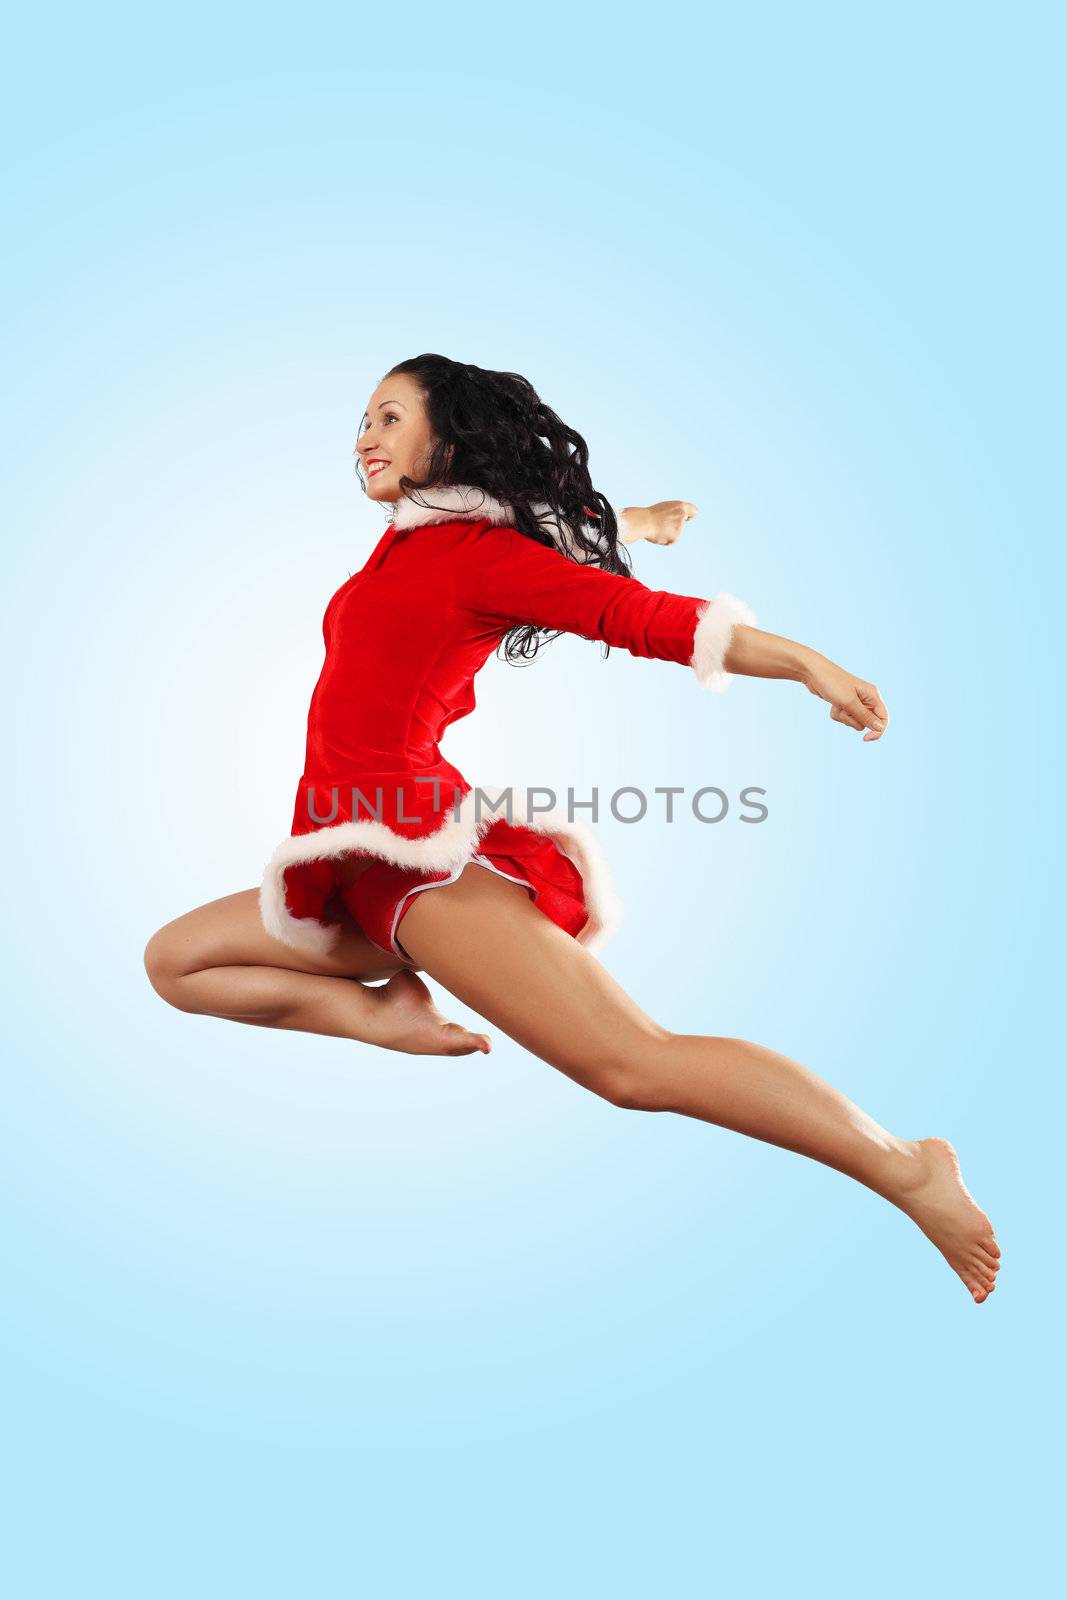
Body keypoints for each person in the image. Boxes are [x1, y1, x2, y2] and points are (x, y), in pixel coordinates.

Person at [144, 354, 1000, 1303]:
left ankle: (902, 1165)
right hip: (346, 860)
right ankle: (383, 1012)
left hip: (420, 865)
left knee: (633, 1066)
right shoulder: (420, 542)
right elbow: (535, 532)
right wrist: (628, 524)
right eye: (363, 420)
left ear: (450, 441)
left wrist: (804, 663)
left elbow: (630, 615)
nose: (364, 438)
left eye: (389, 418)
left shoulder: (478, 556)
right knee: (176, 962)